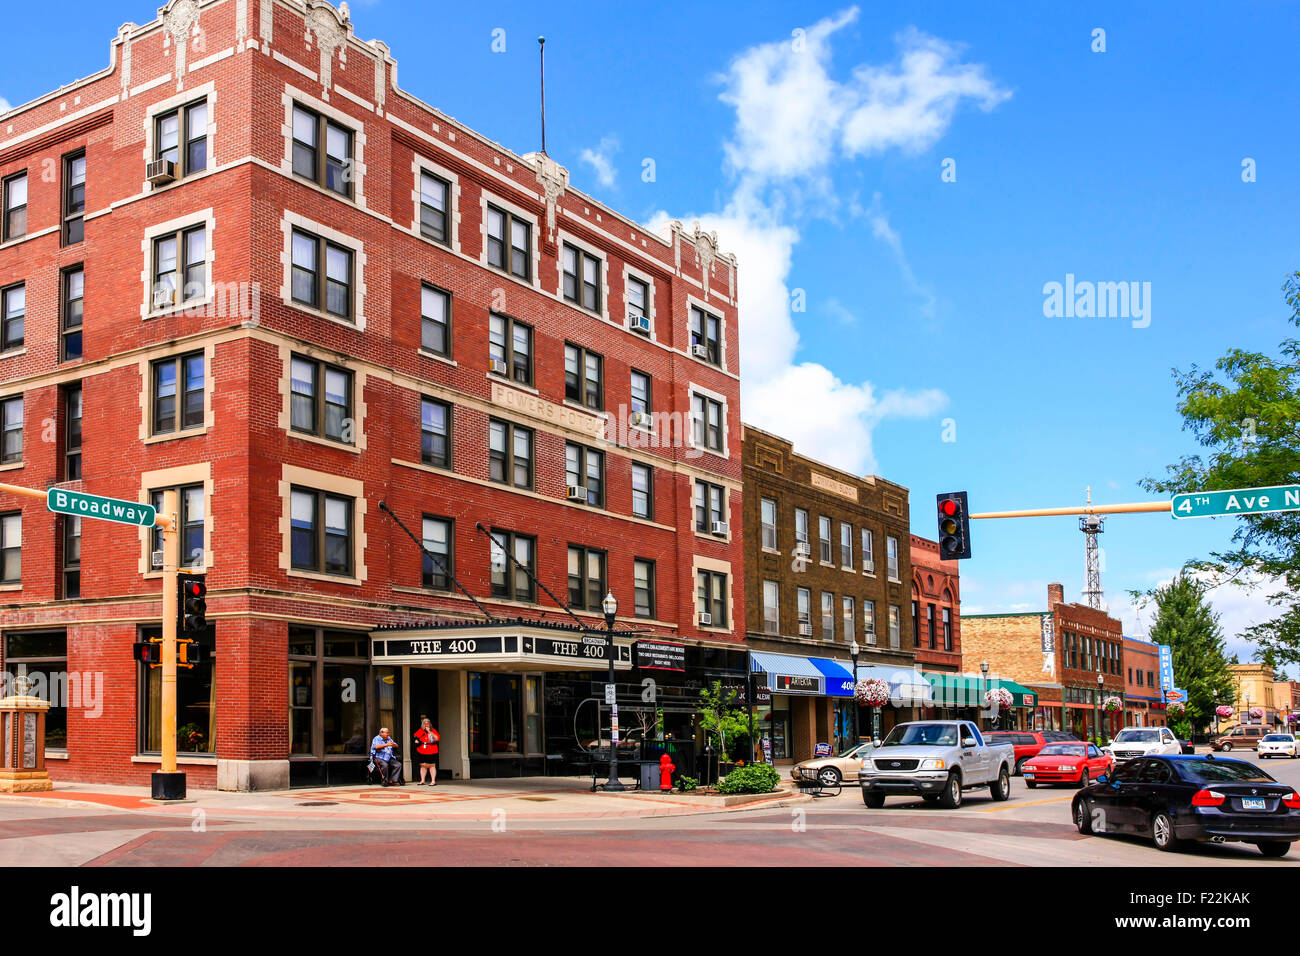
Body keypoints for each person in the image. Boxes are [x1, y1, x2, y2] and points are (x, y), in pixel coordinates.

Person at [413, 717, 440, 785]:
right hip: (421, 750)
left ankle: (433, 781)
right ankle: (422, 780)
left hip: (431, 750)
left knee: (432, 765)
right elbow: (415, 737)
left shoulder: (433, 730)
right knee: (423, 765)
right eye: (425, 724)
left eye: (428, 724)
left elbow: (437, 739)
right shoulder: (420, 731)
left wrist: (429, 732)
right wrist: (416, 741)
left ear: (430, 724)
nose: (426, 725)